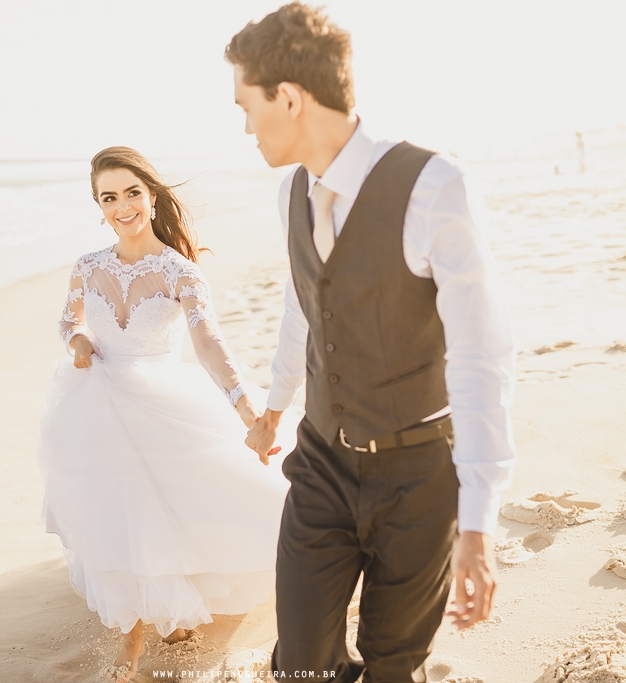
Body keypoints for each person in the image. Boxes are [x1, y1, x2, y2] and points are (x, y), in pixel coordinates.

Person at [225, 4, 517, 682]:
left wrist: (478, 520)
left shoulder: (435, 186)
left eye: (246, 106)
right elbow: (306, 304)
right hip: (322, 462)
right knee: (301, 663)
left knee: (393, 665)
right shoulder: (291, 193)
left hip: (418, 478)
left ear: (290, 98)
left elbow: (482, 356)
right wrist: (274, 405)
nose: (243, 125)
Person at [36, 146, 296, 682]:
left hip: (163, 396)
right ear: (99, 205)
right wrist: (80, 339)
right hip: (98, 398)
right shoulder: (88, 266)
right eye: (109, 197)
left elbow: (210, 347)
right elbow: (68, 321)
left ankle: (172, 606)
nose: (122, 205)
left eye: (132, 192)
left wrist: (250, 413)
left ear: (151, 197)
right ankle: (133, 631)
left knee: (177, 503)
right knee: (119, 505)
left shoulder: (180, 271)